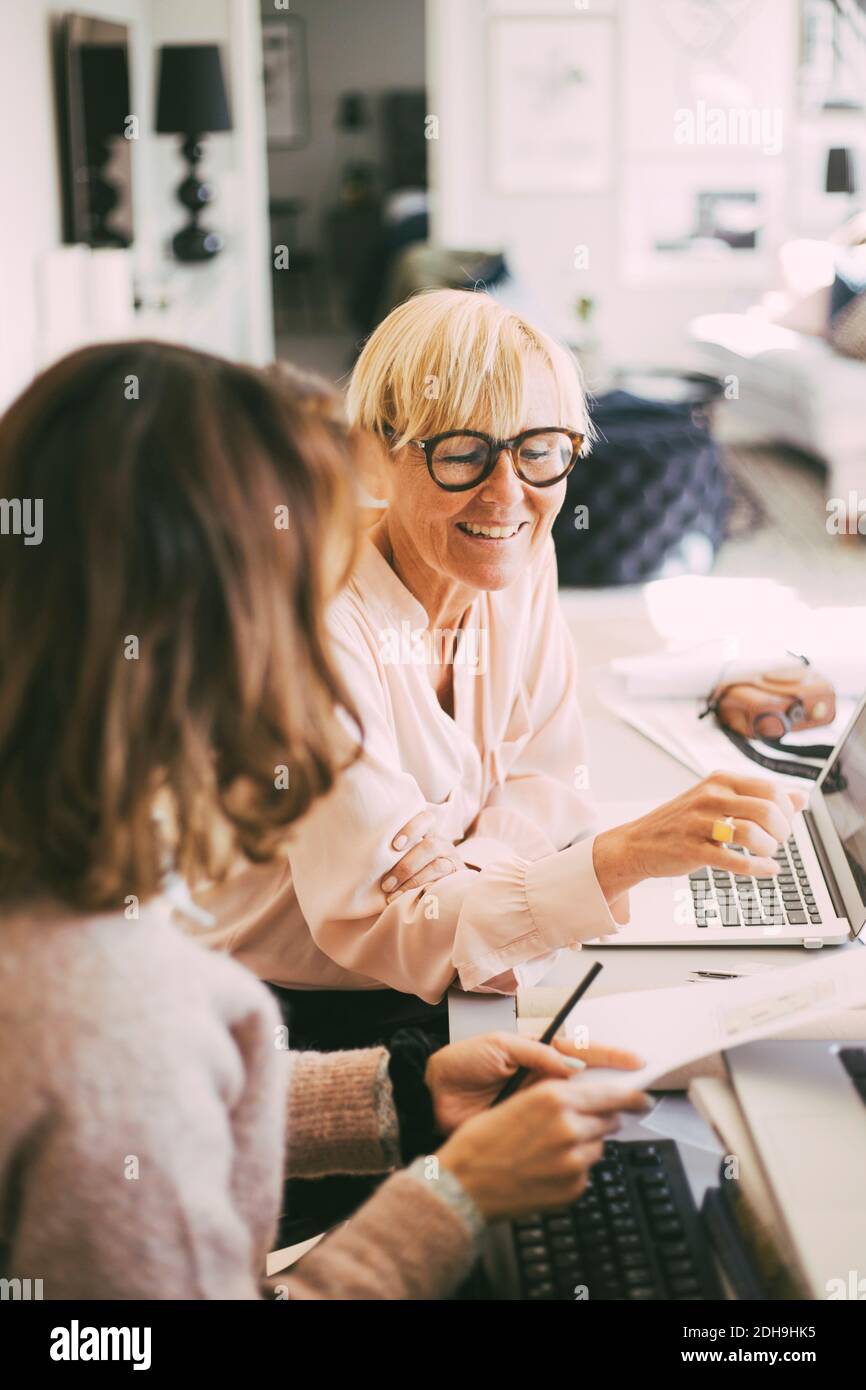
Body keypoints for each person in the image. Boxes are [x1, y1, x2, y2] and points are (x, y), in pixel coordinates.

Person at [0, 341, 647, 1300]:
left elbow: (151, 1106)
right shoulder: (112, 1018)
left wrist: (403, 1098)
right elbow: (124, 1091)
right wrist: (452, 1200)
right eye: (310, 598)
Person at [191, 288, 806, 1055]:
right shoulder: (311, 630)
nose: (509, 494)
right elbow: (393, 929)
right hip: (295, 1025)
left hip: (453, 968)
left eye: (540, 448)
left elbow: (549, 779)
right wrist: (619, 857)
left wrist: (466, 869)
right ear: (375, 452)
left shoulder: (517, 551)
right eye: (460, 451)